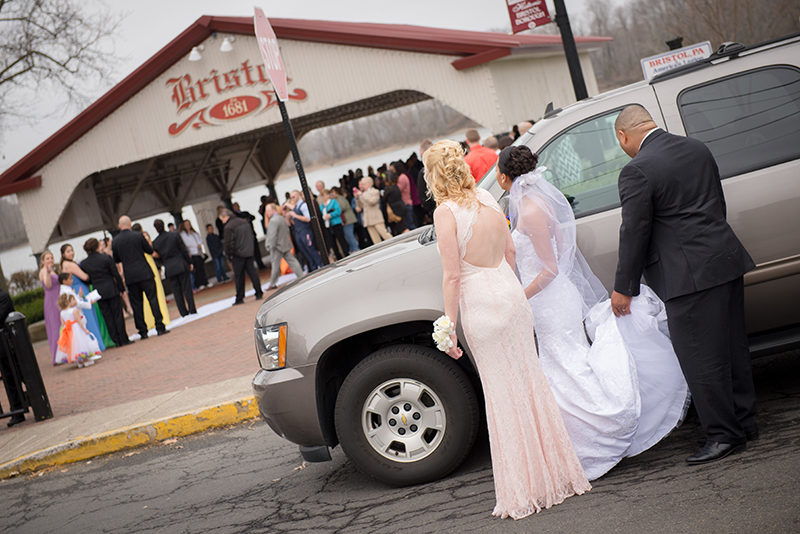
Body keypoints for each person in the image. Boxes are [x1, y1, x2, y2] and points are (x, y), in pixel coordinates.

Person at [498, 145, 690, 480]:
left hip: (550, 302)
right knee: (565, 368)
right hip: (553, 300)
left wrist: (518, 295)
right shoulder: (536, 204)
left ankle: (605, 432)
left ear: (504, 176)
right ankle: (577, 444)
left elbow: (550, 268)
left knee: (567, 368)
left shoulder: (529, 212)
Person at [423, 139, 590, 519]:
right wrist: (509, 291)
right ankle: (557, 476)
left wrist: (448, 326)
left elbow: (452, 276)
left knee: (502, 396)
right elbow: (511, 254)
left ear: (434, 176)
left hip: (483, 304)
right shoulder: (487, 198)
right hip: (511, 297)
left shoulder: (445, 213)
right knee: (531, 385)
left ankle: (524, 490)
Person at [610, 105, 758, 465]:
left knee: (700, 359)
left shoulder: (637, 170)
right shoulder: (697, 148)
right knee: (732, 348)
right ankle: (744, 420)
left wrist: (623, 286)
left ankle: (724, 435)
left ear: (623, 136)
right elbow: (715, 204)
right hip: (725, 259)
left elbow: (634, 233)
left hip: (688, 277)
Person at [112, 215, 169, 339]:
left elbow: (116, 259)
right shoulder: (138, 236)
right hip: (145, 272)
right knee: (153, 299)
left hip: (130, 276)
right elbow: (149, 250)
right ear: (130, 223)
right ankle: (160, 326)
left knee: (137, 304)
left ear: (119, 226)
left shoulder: (116, 241)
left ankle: (142, 331)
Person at [81, 238, 131, 347]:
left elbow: (87, 279)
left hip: (98, 291)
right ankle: (124, 339)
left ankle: (116, 340)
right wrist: (122, 289)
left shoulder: (84, 263)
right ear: (97, 247)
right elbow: (115, 274)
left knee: (107, 317)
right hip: (111, 288)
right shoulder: (106, 258)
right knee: (117, 315)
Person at [59, 244, 108, 351]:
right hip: (80, 291)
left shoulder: (63, 264)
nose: (71, 252)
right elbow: (85, 276)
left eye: (72, 250)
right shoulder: (70, 264)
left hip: (76, 291)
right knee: (88, 318)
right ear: (63, 254)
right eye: (68, 251)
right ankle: (96, 345)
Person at [152, 219, 196, 318]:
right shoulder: (174, 235)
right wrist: (189, 262)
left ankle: (183, 312)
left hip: (169, 267)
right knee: (187, 288)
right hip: (180, 263)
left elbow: (157, 258)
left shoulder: (155, 242)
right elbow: (183, 250)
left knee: (177, 292)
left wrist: (164, 263)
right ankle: (192, 309)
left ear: (155, 228)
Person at [219, 208, 263, 305]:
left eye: (222, 219)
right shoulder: (244, 222)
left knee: (239, 277)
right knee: (253, 273)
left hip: (237, 254)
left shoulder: (228, 227)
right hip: (248, 252)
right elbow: (251, 236)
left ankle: (239, 297)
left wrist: (229, 255)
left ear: (226, 216)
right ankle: (259, 292)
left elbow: (228, 243)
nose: (222, 222)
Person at [133, 224, 171, 331]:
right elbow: (151, 251)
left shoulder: (133, 241)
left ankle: (149, 320)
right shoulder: (141, 240)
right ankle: (160, 319)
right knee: (155, 293)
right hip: (148, 266)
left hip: (140, 270)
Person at [54, 293, 102, 368]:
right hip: (77, 328)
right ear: (68, 302)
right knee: (81, 343)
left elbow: (63, 323)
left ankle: (79, 362)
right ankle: (85, 360)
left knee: (73, 345)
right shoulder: (74, 310)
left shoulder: (62, 312)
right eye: (73, 299)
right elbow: (78, 321)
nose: (75, 301)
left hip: (68, 330)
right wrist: (84, 329)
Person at [0, 287, 25, 426]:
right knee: (9, 379)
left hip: (8, 346)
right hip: (2, 349)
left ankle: (36, 402)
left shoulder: (2, 296)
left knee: (20, 375)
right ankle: (17, 410)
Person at [264, 203, 304, 290]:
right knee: (292, 261)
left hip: (277, 246)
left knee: (275, 265)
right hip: (284, 244)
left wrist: (270, 246)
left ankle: (272, 283)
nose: (267, 213)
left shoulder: (273, 221)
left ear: (273, 210)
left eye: (268, 211)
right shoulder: (281, 218)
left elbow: (272, 235)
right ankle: (301, 276)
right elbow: (286, 230)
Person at [286, 190, 324, 271]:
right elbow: (292, 222)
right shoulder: (295, 207)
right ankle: (313, 267)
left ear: (298, 196)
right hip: (298, 232)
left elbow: (308, 218)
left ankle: (321, 264)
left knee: (311, 249)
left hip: (305, 231)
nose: (292, 199)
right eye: (291, 197)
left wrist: (295, 215)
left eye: (293, 197)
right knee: (304, 251)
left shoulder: (303, 206)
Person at [38, 250, 61, 364]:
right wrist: (47, 271)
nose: (50, 260)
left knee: (62, 325)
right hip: (51, 301)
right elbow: (48, 285)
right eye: (47, 258)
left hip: (59, 298)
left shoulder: (52, 270)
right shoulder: (43, 271)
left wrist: (51, 271)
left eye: (51, 258)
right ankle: (57, 355)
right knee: (56, 326)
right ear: (43, 261)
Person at [354, 177, 392, 244]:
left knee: (385, 235)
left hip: (376, 218)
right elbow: (360, 206)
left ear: (370, 184)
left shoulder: (375, 191)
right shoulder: (363, 194)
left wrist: (362, 195)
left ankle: (395, 244)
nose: (362, 186)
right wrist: (357, 198)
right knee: (376, 240)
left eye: (364, 184)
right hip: (368, 220)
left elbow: (372, 202)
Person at [232, 202, 266, 270]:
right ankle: (250, 268)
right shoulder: (235, 216)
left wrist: (247, 218)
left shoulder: (245, 213)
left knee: (256, 251)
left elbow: (252, 217)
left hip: (251, 234)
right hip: (245, 237)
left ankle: (260, 264)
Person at [319, 189, 349, 258]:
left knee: (341, 239)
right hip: (328, 225)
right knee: (332, 242)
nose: (323, 197)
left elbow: (338, 211)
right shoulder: (321, 206)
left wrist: (330, 215)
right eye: (322, 196)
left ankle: (346, 253)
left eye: (324, 195)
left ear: (328, 195)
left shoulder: (333, 202)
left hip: (336, 223)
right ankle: (338, 256)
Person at [180, 220, 208, 290]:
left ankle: (205, 282)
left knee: (201, 268)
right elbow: (186, 243)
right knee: (197, 269)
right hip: (192, 253)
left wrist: (199, 244)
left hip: (199, 252)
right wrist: (195, 245)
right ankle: (199, 283)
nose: (188, 226)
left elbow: (200, 239)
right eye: (186, 224)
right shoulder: (183, 234)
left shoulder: (194, 232)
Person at [330, 187, 359, 253]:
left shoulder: (340, 198)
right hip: (344, 220)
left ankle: (356, 248)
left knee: (349, 235)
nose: (332, 194)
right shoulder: (335, 199)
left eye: (333, 192)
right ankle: (352, 249)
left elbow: (343, 207)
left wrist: (335, 208)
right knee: (348, 235)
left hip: (348, 219)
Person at [391, 160, 416, 230]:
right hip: (406, 203)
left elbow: (397, 190)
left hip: (406, 203)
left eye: (392, 170)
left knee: (410, 224)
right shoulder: (401, 177)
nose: (392, 172)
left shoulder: (402, 178)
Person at [382, 171, 408, 236]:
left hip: (396, 210)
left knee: (402, 228)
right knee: (403, 226)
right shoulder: (396, 186)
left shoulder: (388, 189)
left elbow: (384, 199)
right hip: (401, 207)